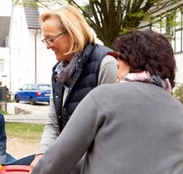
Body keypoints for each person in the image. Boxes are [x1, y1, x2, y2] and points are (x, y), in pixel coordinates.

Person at [31, 29, 183, 174]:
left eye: (119, 67)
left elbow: (58, 159)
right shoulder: (178, 109)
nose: (117, 75)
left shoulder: (103, 96)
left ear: (132, 63)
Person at [30, 5, 118, 170]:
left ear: (72, 33)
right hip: (68, 159)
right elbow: (53, 124)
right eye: (45, 40)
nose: (48, 46)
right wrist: (42, 154)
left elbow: (110, 129)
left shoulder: (106, 64)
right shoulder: (58, 72)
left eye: (51, 39)